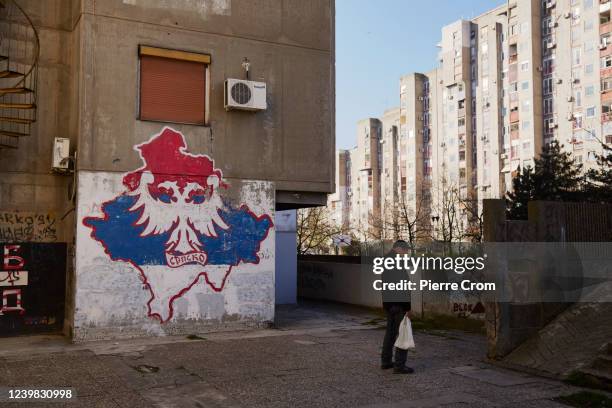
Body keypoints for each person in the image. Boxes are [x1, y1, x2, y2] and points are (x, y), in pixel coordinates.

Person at [380, 240, 414, 374]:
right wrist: (408, 307)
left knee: (390, 334)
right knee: (403, 334)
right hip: (399, 304)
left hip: (389, 303)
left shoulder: (385, 260)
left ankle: (386, 361)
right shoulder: (397, 262)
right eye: (405, 250)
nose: (406, 253)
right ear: (398, 248)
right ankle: (399, 365)